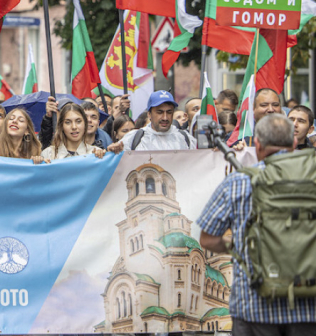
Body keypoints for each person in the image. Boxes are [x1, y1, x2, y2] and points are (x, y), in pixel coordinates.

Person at [197, 114, 316, 334]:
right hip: (309, 307)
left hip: (254, 308)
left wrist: (240, 245)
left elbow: (208, 239)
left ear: (258, 144)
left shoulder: (238, 182)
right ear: (293, 142)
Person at [113, 91, 193, 152]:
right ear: (149, 114)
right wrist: (112, 153)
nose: (165, 118)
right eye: (159, 112)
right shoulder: (133, 139)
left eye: (169, 112)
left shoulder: (185, 138)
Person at [34, 103, 107, 162]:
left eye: (78, 121)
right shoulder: (48, 154)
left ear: (85, 124)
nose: (74, 127)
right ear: (61, 126)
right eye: (68, 122)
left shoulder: (95, 153)